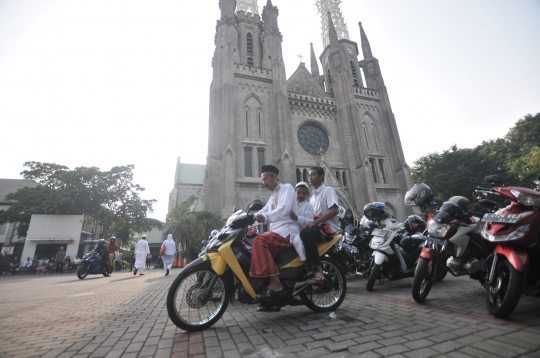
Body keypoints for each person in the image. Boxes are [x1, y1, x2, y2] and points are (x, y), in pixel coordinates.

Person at [250, 165, 299, 301]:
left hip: (287, 231)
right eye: (262, 180)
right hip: (276, 232)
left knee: (259, 241)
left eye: (265, 179)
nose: (264, 182)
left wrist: (265, 218)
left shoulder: (287, 188)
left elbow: (283, 209)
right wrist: (247, 221)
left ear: (274, 177)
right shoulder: (272, 196)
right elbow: (263, 211)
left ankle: (276, 283)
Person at [299, 167, 340, 284]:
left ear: (321, 176)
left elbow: (334, 210)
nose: (309, 178)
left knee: (306, 233)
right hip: (316, 228)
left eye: (312, 175)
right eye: (308, 176)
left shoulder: (328, 191)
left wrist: (315, 222)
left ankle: (317, 270)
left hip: (328, 229)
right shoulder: (311, 198)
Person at [289, 182, 314, 262]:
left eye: (304, 193)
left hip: (300, 231)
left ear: (308, 195)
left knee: (297, 242)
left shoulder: (308, 206)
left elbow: (310, 221)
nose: (301, 195)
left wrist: (297, 218)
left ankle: (305, 262)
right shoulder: (293, 205)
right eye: (299, 193)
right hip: (290, 229)